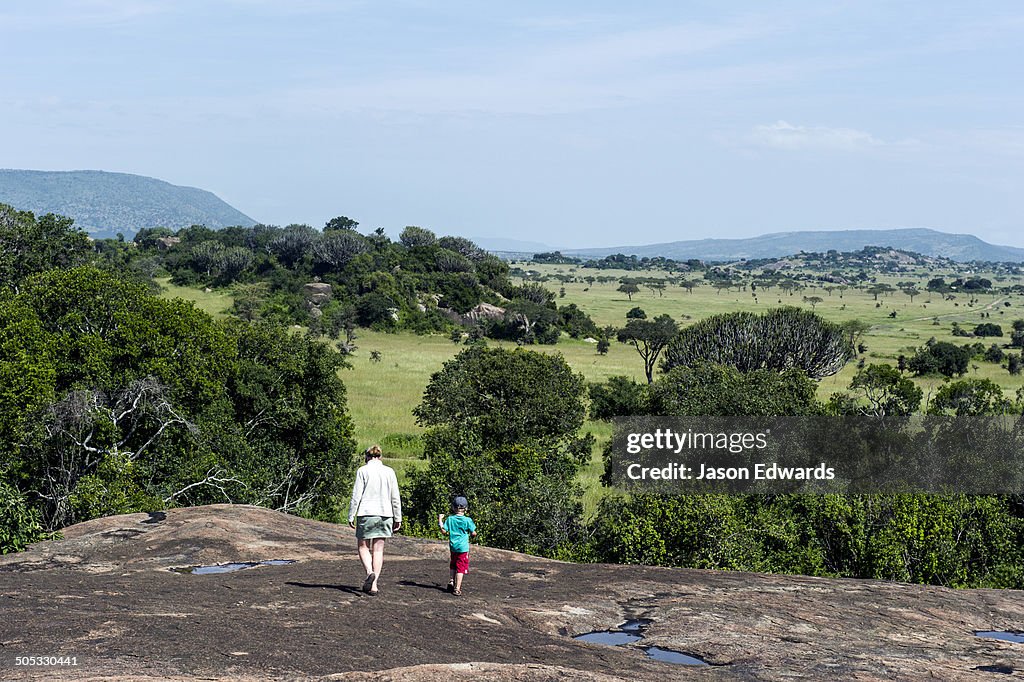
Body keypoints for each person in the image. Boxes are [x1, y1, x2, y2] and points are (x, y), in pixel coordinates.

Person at [348, 445, 402, 595]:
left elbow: (356, 496)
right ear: (380, 457)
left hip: (366, 513)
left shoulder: (362, 471)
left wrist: (351, 515)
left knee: (363, 546)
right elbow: (395, 497)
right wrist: (398, 517)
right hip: (385, 513)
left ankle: (369, 572)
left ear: (366, 456)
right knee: (378, 549)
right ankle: (374, 585)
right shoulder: (389, 471)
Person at [438, 496, 477, 596]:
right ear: (466, 508)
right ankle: (457, 588)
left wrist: (440, 521)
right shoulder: (468, 520)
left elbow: (444, 531)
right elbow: (473, 532)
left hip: (453, 547)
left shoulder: (450, 519)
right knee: (461, 567)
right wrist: (472, 534)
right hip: (463, 548)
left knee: (453, 564)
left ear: (453, 507)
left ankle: (451, 581)